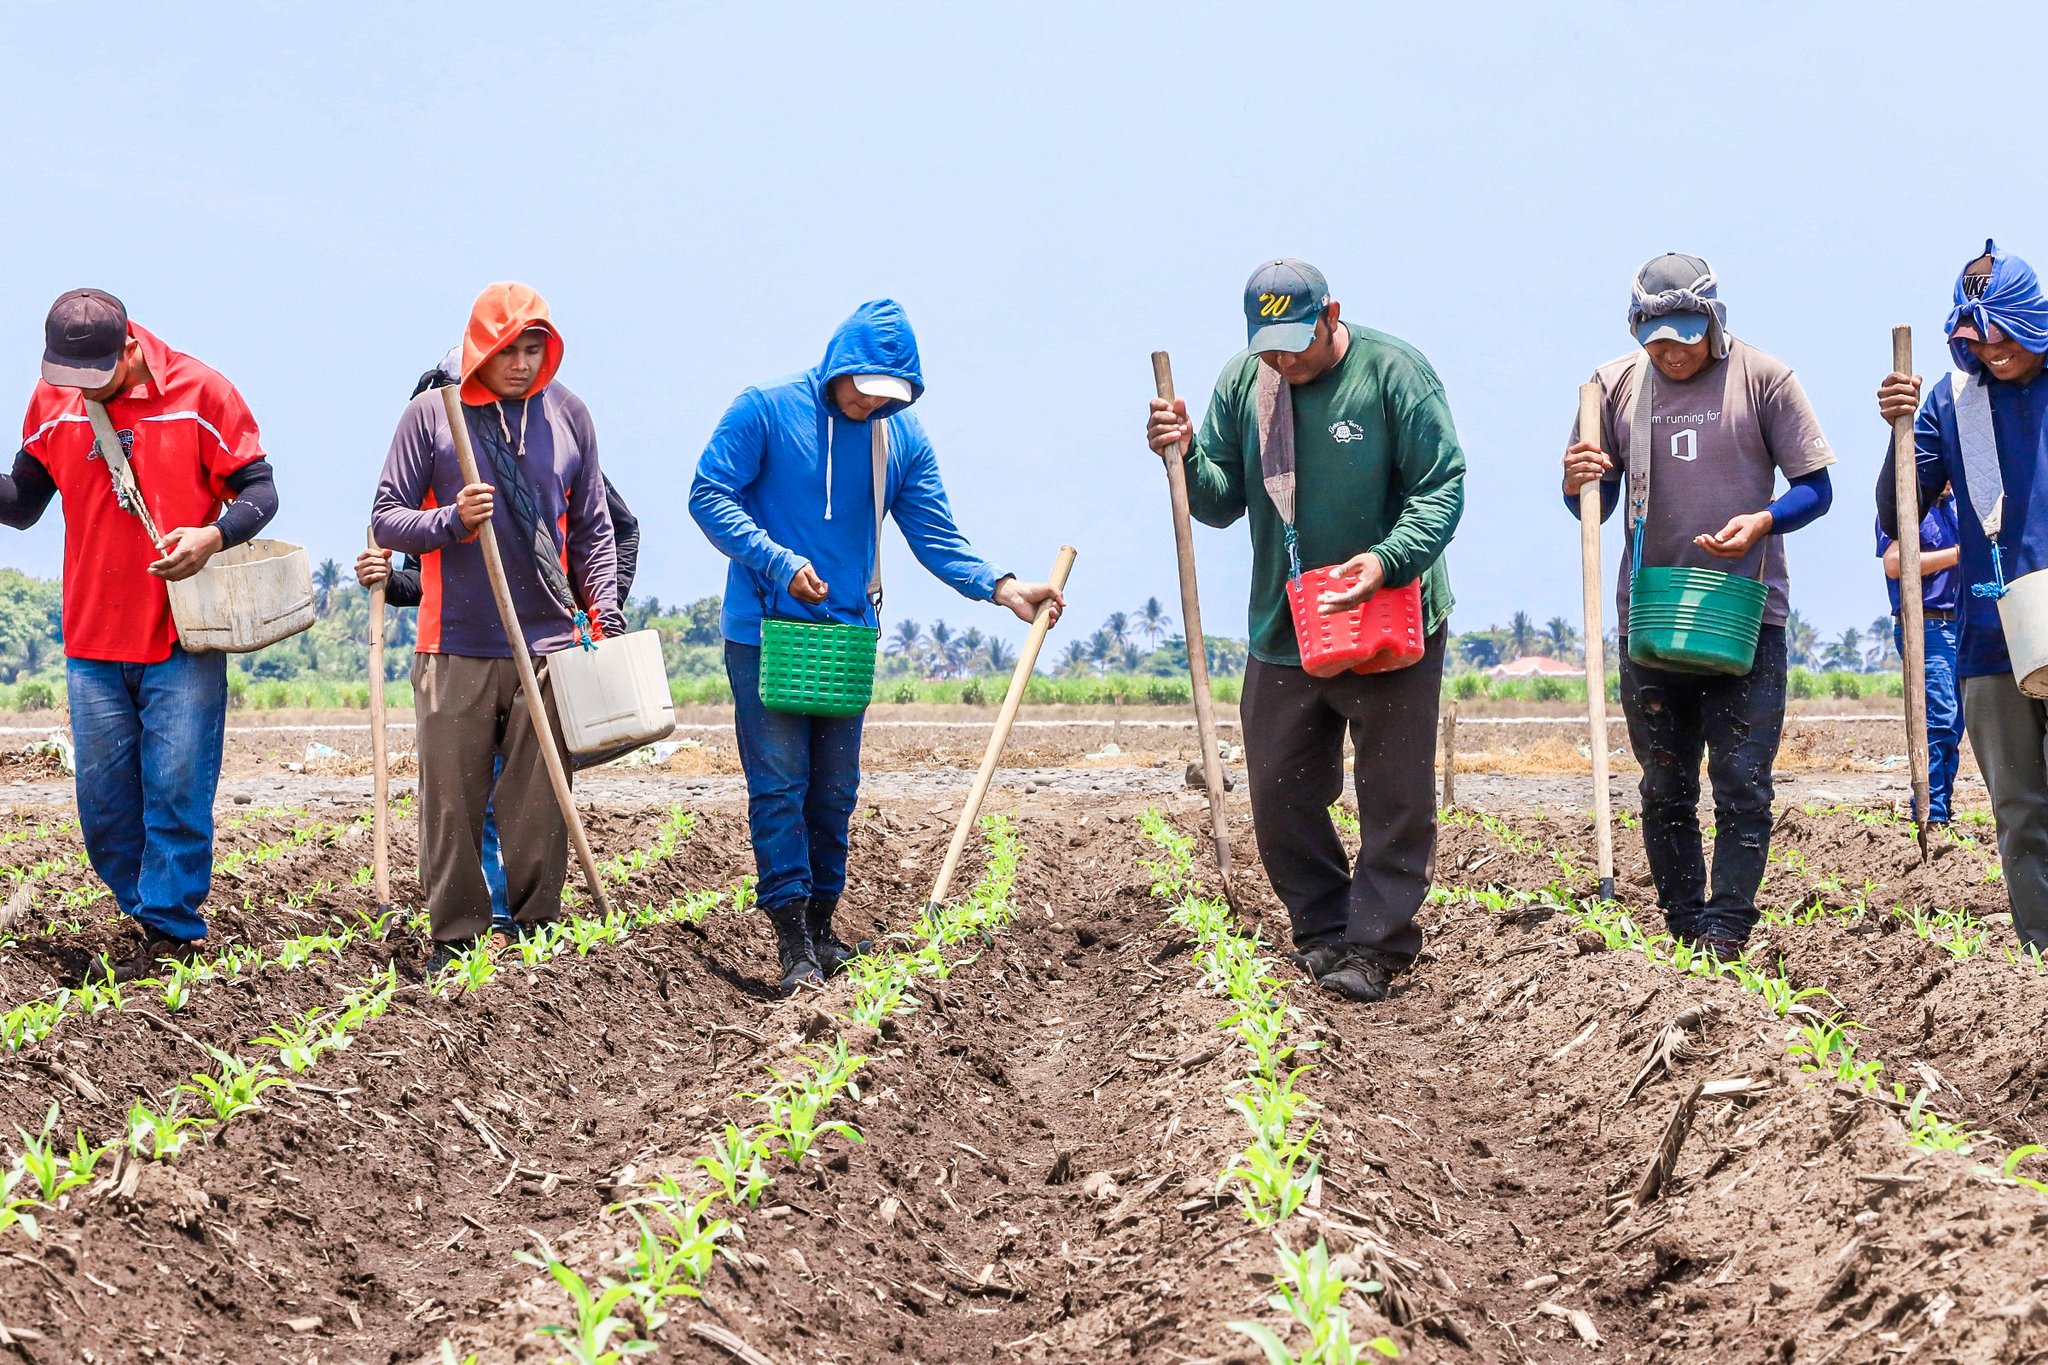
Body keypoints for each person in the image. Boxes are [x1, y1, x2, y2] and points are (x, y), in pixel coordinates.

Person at [690, 299, 1064, 994]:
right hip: (766, 633)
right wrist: (776, 561)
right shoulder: (764, 410)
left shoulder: (899, 439)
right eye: (864, 388)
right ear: (840, 364)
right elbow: (709, 495)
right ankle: (792, 940)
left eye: (890, 395)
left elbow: (934, 533)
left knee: (835, 792)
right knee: (779, 787)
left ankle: (825, 927)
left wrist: (1002, 585)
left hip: (847, 640)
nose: (871, 405)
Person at [1144, 259, 1467, 1004]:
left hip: (1390, 612)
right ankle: (1322, 931)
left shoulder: (1395, 374)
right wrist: (1184, 454)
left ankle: (1378, 945)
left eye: (1297, 342)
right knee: (1281, 787)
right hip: (1289, 619)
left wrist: (1384, 561)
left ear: (1332, 316)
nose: (1285, 360)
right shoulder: (1247, 385)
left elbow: (1441, 486)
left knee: (1394, 792)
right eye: (1270, 346)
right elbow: (1219, 501)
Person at [1564, 253, 1835, 959]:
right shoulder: (1612, 388)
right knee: (1664, 783)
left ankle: (1727, 930)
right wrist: (1578, 483)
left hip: (1744, 612)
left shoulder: (1764, 379)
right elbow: (1590, 510)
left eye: (1684, 336)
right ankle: (1684, 925)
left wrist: (1763, 521)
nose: (1671, 352)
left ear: (1714, 322)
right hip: (1651, 612)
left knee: (1743, 779)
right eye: (1656, 339)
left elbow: (1816, 487)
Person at [7, 289, 280, 980]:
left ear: (130, 349)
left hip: (181, 639)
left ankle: (170, 932)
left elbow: (260, 491)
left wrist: (214, 534)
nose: (76, 392)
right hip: (92, 638)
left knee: (177, 791)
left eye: (92, 379)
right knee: (104, 809)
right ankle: (145, 910)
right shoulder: (53, 400)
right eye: (66, 380)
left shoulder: (200, 392)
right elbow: (23, 505)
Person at [371, 284, 624, 973]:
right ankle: (456, 937)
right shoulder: (432, 416)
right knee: (452, 799)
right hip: (455, 643)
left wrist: (603, 607)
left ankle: (536, 927)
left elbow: (595, 526)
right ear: (481, 346)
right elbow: (387, 516)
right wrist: (450, 521)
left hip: (547, 643)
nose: (520, 361)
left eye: (533, 347)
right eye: (508, 347)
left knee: (541, 797)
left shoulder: (569, 414)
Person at [1877, 241, 2048, 953]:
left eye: (2007, 333)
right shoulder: (1952, 400)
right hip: (1991, 633)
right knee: (2018, 810)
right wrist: (1897, 428)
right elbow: (1897, 514)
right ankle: (2041, 953)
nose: (1996, 349)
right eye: (1981, 337)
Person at [1875, 486, 1964, 827]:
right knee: (1940, 719)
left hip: (1962, 624)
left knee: (1955, 723)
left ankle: (1940, 805)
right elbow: (1894, 563)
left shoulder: (1960, 506)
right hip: (1925, 626)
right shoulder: (1900, 505)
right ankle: (1932, 814)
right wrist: (1957, 554)